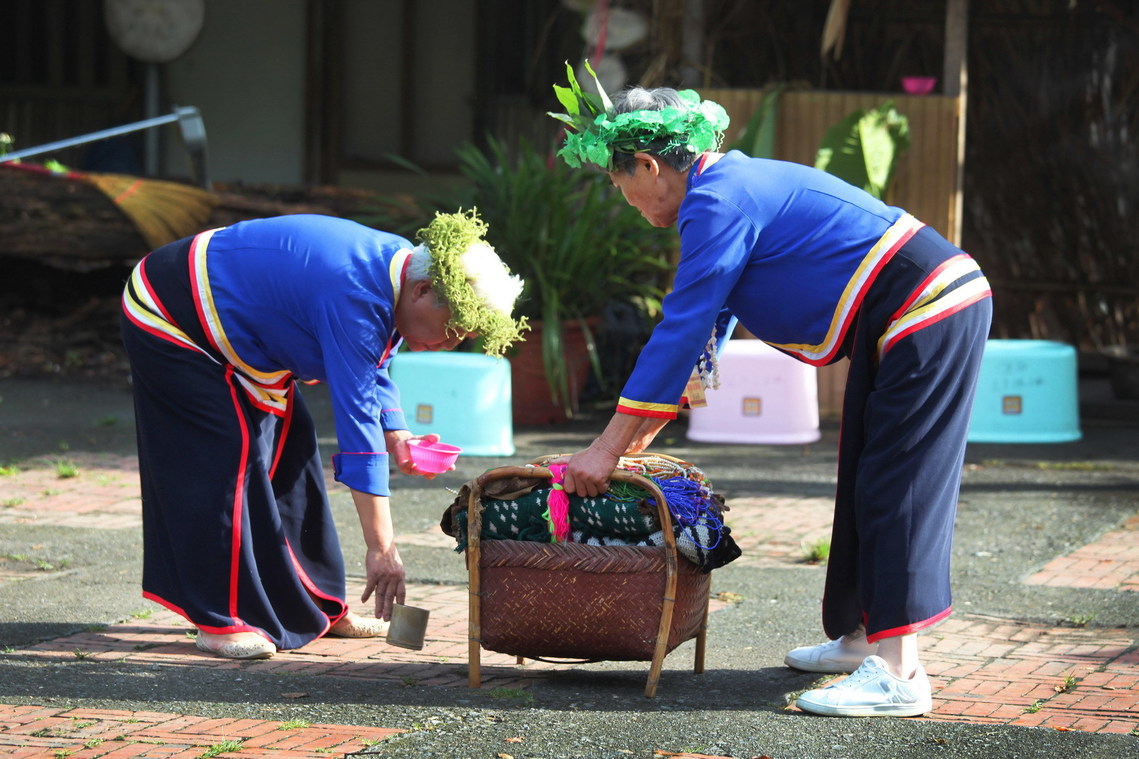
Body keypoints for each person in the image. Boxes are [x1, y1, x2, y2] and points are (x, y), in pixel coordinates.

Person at [549, 70, 992, 717]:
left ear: (647, 164)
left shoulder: (718, 199)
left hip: (928, 305)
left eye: (622, 187)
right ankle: (864, 639)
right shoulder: (720, 189)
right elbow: (707, 327)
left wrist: (605, 448)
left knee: (895, 484)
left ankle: (899, 673)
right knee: (864, 473)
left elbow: (681, 329)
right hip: (904, 314)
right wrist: (639, 434)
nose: (629, 203)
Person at [120, 210, 526, 660]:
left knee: (293, 452)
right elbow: (358, 433)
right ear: (423, 290)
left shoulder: (402, 269)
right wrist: (383, 550)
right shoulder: (355, 292)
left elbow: (374, 363)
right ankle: (219, 619)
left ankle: (314, 607)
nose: (451, 342)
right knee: (226, 458)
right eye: (451, 327)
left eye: (463, 335)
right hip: (172, 313)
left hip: (243, 336)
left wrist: (398, 433)